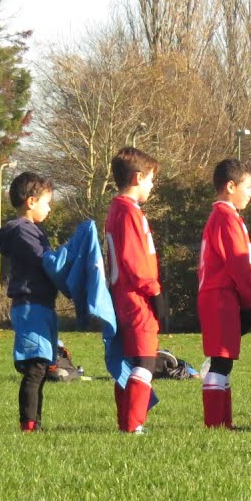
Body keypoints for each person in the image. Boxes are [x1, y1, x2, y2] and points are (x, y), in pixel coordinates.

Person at [197, 158, 251, 429]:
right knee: (220, 361)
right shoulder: (225, 217)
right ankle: (215, 424)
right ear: (230, 186)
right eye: (248, 187)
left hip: (220, 295)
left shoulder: (227, 216)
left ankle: (224, 423)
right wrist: (249, 300)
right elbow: (237, 263)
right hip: (220, 296)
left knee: (224, 361)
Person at [105, 146, 164, 434]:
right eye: (151, 179)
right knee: (145, 360)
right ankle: (133, 424)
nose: (152, 185)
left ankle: (126, 421)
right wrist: (155, 293)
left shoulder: (116, 209)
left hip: (121, 295)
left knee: (130, 361)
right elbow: (135, 260)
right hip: (135, 297)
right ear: (138, 178)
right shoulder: (129, 212)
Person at [0, 171, 57, 433]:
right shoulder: (24, 231)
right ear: (31, 201)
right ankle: (29, 425)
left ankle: (35, 423)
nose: (50, 208)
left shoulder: (32, 230)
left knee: (41, 368)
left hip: (39, 305)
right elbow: (45, 261)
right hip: (31, 306)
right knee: (35, 367)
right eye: (47, 202)